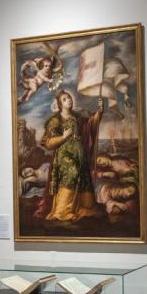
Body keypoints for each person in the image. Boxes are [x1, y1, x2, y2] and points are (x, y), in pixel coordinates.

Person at [36, 90, 104, 221]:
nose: (69, 100)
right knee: (71, 174)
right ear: (60, 104)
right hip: (65, 155)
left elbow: (91, 125)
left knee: (84, 177)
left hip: (80, 154)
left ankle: (84, 208)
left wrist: (99, 111)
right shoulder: (55, 120)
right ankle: (62, 212)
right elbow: (48, 142)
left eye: (69, 97)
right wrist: (63, 136)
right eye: (65, 99)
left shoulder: (78, 117)